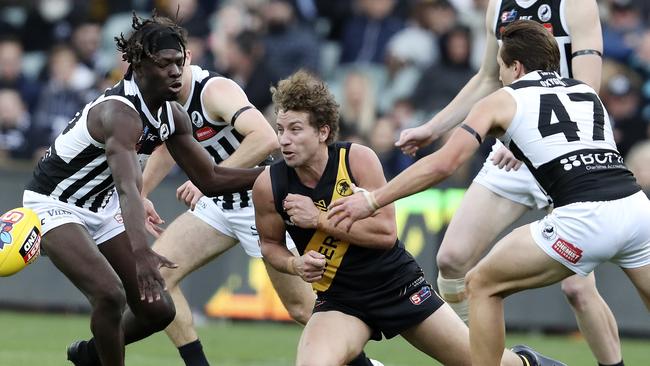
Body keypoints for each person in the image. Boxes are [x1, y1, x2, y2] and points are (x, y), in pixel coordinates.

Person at [327, 20, 650, 366]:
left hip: (584, 219)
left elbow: (444, 164)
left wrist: (374, 199)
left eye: (500, 68)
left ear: (516, 66)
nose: (500, 76)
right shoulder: (587, 94)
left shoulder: (503, 99)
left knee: (481, 284)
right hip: (637, 210)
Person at [253, 69, 564, 366]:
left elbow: (385, 234)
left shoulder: (356, 160)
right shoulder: (270, 185)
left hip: (397, 287)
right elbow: (269, 245)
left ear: (322, 132)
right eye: (280, 130)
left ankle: (527, 361)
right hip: (340, 300)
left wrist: (319, 220)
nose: (284, 140)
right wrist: (294, 264)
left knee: (484, 363)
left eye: (295, 130)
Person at [22, 13, 262, 366]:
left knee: (158, 310)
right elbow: (129, 189)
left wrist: (276, 177)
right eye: (165, 64)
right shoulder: (119, 113)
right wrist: (140, 251)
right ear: (137, 65)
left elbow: (210, 177)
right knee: (108, 295)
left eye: (180, 62)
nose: (176, 72)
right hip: (54, 204)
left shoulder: (172, 114)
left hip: (99, 207)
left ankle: (92, 354)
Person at [395, 1, 625, 365]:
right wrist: (434, 127)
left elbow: (587, 89)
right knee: (452, 260)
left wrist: (533, 133)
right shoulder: (497, 7)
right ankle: (496, 360)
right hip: (514, 150)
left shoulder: (575, 5)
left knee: (577, 288)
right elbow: (488, 78)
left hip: (567, 152)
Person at [138, 53, 378, 366]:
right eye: (158, 64)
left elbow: (266, 138)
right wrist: (140, 193)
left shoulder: (214, 90)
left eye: (174, 61)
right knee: (158, 279)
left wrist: (208, 178)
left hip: (258, 201)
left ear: (188, 58)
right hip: (219, 205)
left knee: (304, 309)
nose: (168, 71)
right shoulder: (166, 101)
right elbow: (170, 146)